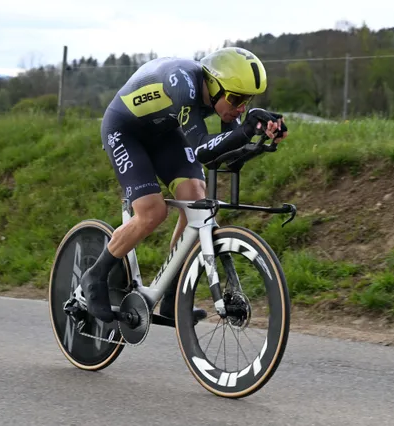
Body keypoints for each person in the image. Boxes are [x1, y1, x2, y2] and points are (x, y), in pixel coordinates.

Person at [80, 47, 288, 323]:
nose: (240, 108)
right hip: (124, 130)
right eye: (236, 98)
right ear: (213, 84)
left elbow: (224, 155)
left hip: (164, 134)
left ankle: (172, 297)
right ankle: (95, 275)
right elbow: (203, 149)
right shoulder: (183, 83)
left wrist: (261, 137)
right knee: (153, 212)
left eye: (247, 101)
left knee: (196, 201)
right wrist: (246, 129)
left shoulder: (221, 98)